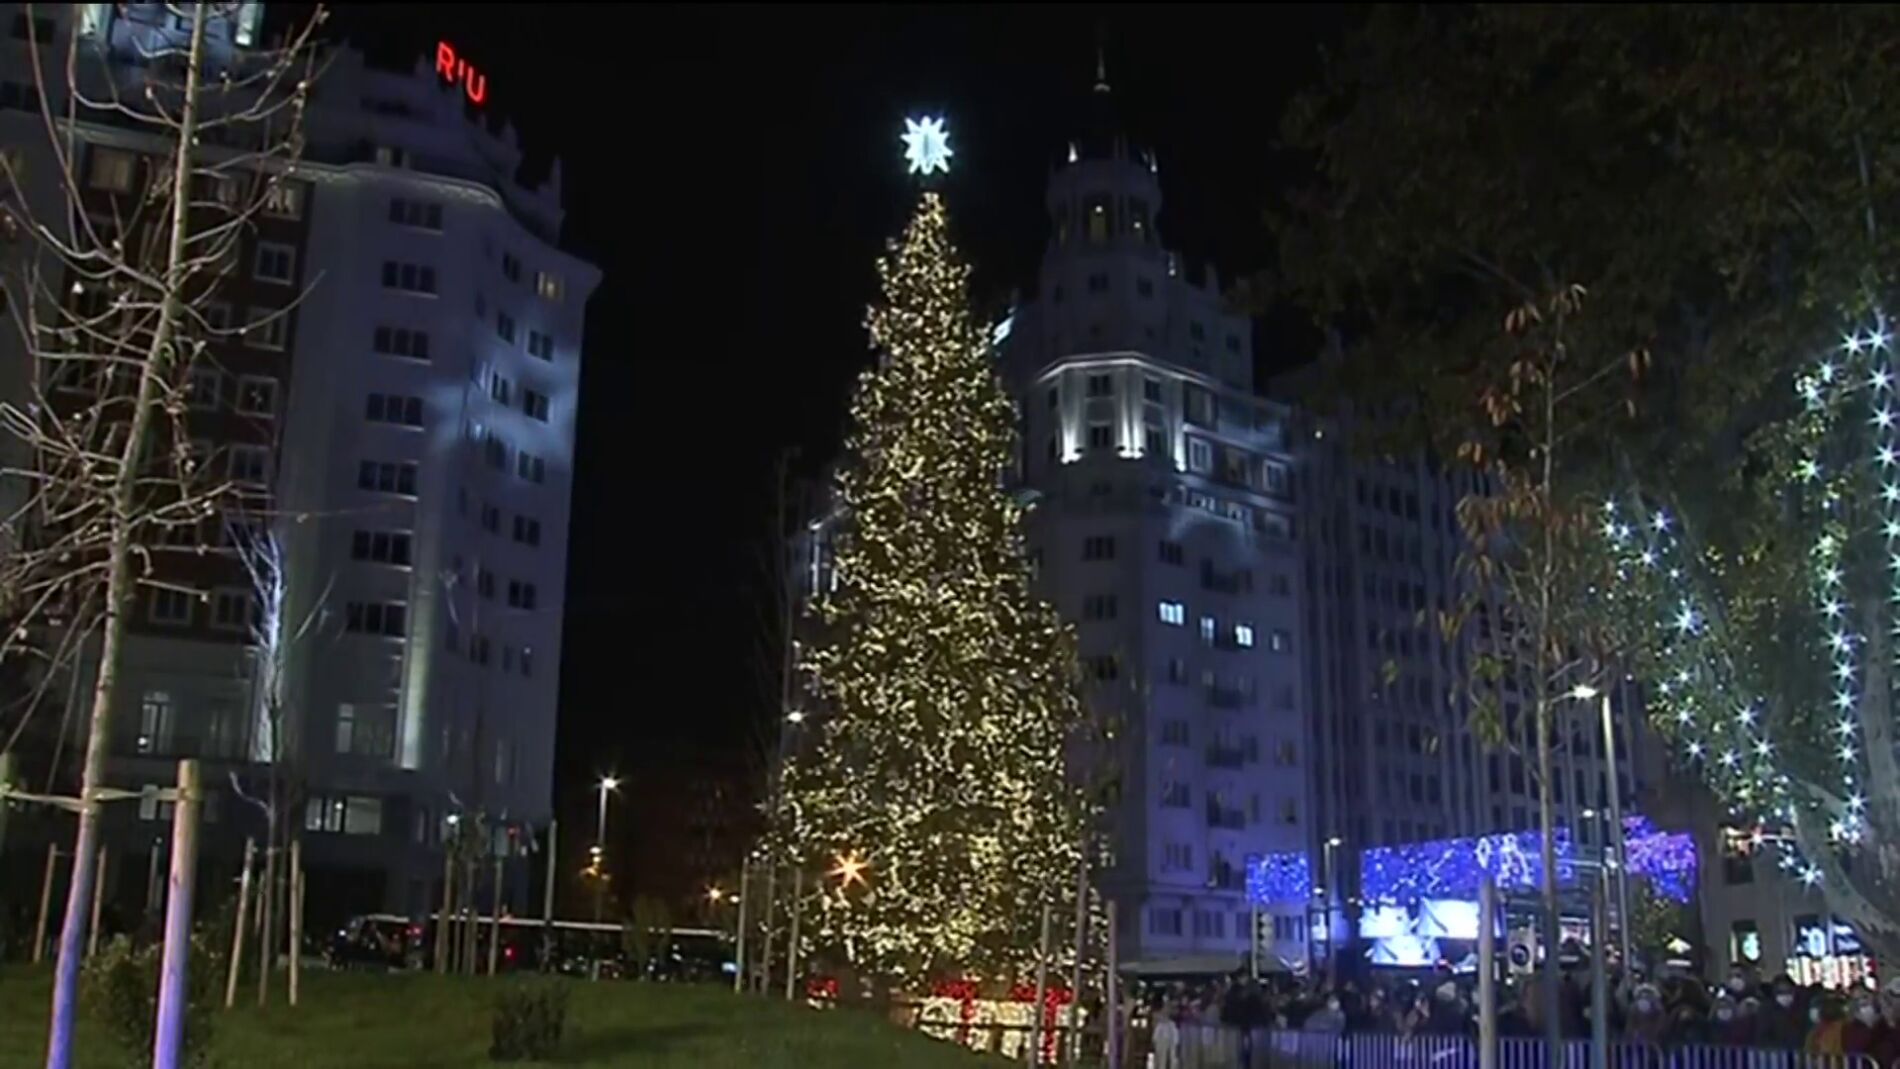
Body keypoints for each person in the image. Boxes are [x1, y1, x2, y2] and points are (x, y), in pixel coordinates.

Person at [1150, 998, 1182, 1069]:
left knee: (1172, 1058)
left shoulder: (1172, 1023)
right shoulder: (1157, 1016)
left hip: (1171, 1038)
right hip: (1161, 1038)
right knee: (1161, 1059)